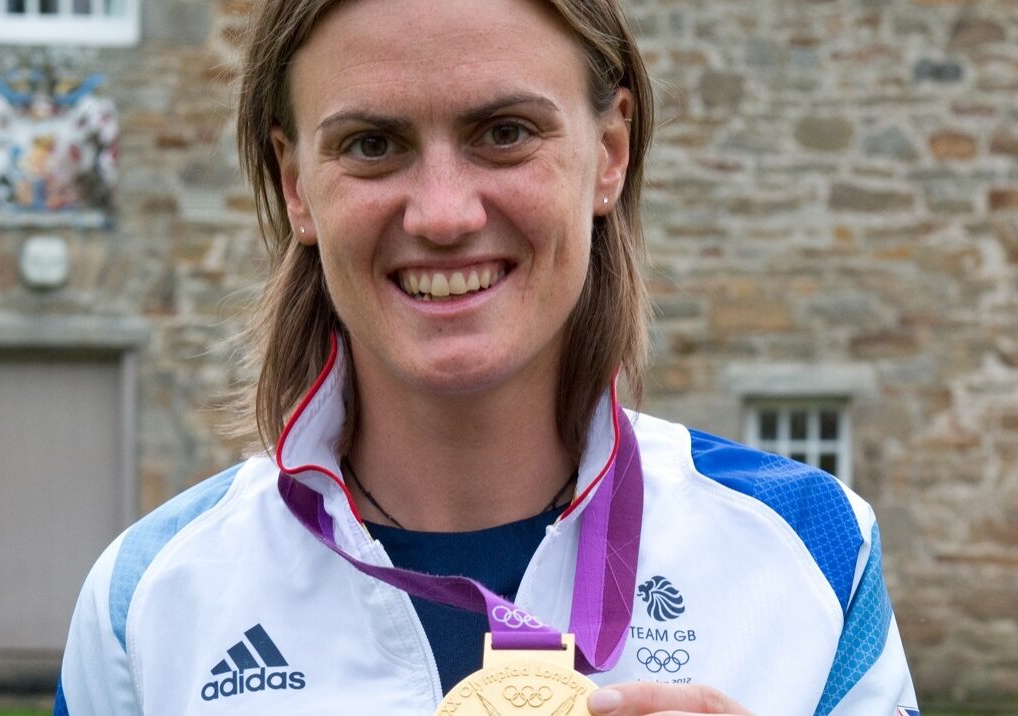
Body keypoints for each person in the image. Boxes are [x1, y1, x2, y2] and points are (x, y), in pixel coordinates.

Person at [54, 0, 921, 714]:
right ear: (295, 185)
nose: (441, 214)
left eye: (504, 132)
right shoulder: (152, 602)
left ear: (609, 154)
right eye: (371, 144)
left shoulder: (810, 554)